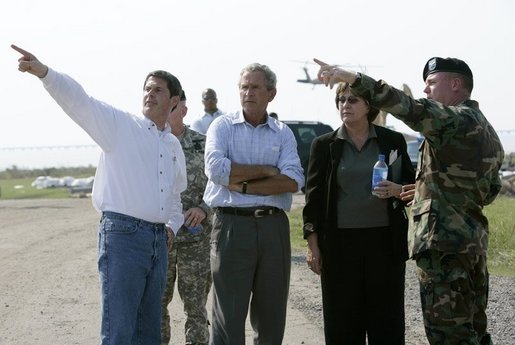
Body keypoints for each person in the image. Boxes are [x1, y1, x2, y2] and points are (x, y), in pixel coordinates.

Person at [314, 57, 504, 345]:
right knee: (474, 331)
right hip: (471, 244)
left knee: (449, 335)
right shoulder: (485, 128)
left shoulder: (452, 118)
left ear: (455, 84)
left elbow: (409, 108)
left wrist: (353, 78)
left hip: (444, 248)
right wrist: (429, 189)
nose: (425, 90)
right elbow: (488, 190)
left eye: (431, 83)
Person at [12, 44, 187, 345]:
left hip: (158, 242)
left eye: (157, 90)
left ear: (173, 101)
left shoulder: (173, 145)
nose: (149, 94)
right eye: (147, 88)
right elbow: (80, 101)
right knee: (119, 331)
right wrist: (44, 72)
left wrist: (172, 226)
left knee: (149, 332)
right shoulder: (120, 126)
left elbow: (175, 196)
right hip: (123, 236)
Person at [302, 82, 415, 344]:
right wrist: (313, 245)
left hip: (385, 245)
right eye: (341, 100)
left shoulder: (392, 141)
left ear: (369, 106)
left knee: (386, 324)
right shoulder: (324, 145)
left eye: (352, 100)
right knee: (342, 325)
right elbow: (313, 200)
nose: (345, 105)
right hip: (340, 247)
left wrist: (398, 190)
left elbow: (414, 188)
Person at [203, 63, 304, 344]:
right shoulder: (222, 126)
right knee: (228, 316)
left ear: (271, 93)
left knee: (271, 314)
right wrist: (269, 170)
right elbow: (216, 171)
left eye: (255, 87)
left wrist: (244, 184)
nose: (248, 93)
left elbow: (294, 179)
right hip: (232, 226)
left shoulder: (282, 133)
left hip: (273, 228)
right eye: (244, 87)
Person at [161, 91, 212, 345]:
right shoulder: (150, 144)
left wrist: (204, 208)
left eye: (173, 106)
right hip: (161, 239)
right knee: (156, 306)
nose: (167, 111)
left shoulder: (204, 144)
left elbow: (219, 185)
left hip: (196, 239)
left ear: (183, 110)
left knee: (196, 308)